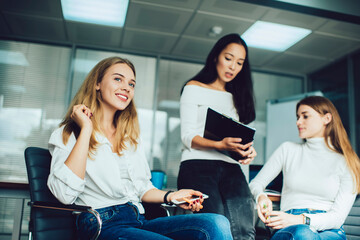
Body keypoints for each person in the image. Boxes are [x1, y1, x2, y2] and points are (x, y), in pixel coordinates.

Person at [47, 56, 233, 240]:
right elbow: (64, 195)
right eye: (118, 79)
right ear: (97, 83)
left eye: (131, 84)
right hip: (100, 224)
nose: (126, 88)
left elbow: (141, 188)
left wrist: (173, 196)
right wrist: (86, 129)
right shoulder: (69, 133)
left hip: (137, 218)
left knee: (217, 224)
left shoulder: (129, 137)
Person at [177, 33, 257, 240]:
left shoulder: (236, 97)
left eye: (239, 63)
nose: (233, 67)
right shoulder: (193, 88)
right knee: (215, 227)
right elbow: (187, 136)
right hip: (197, 165)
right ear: (216, 57)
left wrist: (245, 152)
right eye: (228, 58)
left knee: (244, 230)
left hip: (232, 168)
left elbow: (236, 140)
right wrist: (219, 144)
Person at [249, 96, 360, 240]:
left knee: (310, 234)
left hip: (329, 229)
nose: (298, 122)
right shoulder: (287, 150)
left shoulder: (347, 162)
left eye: (305, 116)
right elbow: (255, 184)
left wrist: (302, 219)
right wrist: (261, 196)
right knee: (304, 234)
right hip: (290, 224)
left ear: (326, 118)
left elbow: (338, 217)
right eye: (298, 117)